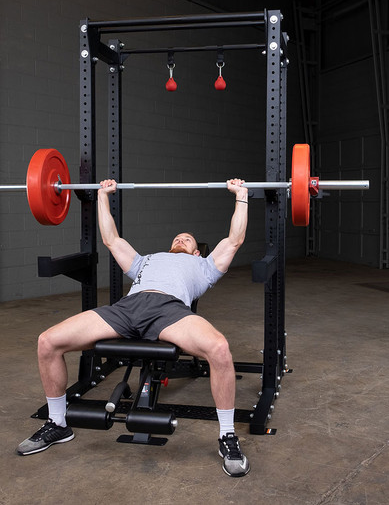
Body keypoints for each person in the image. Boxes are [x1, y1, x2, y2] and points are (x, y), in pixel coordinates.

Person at [17, 178, 250, 478]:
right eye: (177, 237)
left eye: (188, 239)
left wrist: (241, 196)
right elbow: (111, 239)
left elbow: (234, 240)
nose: (181, 239)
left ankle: (227, 436)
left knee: (219, 348)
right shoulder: (145, 261)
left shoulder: (204, 266)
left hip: (170, 311)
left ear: (196, 252)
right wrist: (102, 196)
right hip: (126, 309)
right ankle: (58, 424)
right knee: (47, 341)